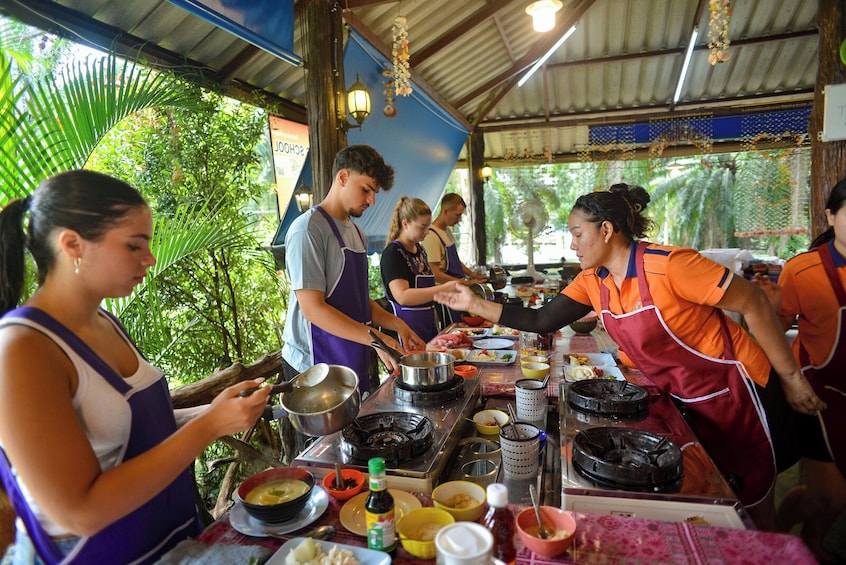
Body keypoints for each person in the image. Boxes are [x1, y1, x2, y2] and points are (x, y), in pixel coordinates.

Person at [434, 182, 825, 531]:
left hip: (737, 393)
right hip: (684, 399)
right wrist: (474, 302)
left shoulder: (671, 265)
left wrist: (791, 379)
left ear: (606, 229)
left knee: (753, 507)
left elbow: (754, 301)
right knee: (712, 500)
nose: (572, 244)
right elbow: (540, 319)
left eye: (577, 233)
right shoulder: (594, 280)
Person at [0, 170, 271, 564]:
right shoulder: (21, 348)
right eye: (133, 246)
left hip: (172, 541)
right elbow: (77, 511)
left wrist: (211, 412)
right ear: (72, 244)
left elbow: (128, 430)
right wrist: (208, 426)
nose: (150, 258)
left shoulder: (104, 321)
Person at [281, 145, 425, 395]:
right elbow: (313, 309)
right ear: (343, 177)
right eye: (366, 189)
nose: (372, 200)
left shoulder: (357, 233)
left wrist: (398, 325)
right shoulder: (308, 230)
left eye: (375, 192)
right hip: (312, 366)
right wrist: (377, 339)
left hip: (349, 355)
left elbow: (358, 302)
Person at [753, 179, 846, 560]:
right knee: (830, 494)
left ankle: (812, 540)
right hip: (819, 393)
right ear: (830, 216)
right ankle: (781, 530)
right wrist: (772, 308)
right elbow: (770, 333)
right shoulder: (804, 269)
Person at [380, 197, 460, 344]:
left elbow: (425, 288)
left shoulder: (420, 250)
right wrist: (441, 290)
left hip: (427, 325)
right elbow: (402, 296)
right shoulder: (393, 253)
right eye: (422, 227)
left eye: (428, 227)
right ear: (405, 224)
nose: (426, 232)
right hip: (404, 331)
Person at [421, 193, 486, 325]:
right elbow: (434, 273)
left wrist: (473, 275)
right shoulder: (431, 236)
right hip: (446, 297)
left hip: (457, 290)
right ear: (445, 211)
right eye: (457, 215)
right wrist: (460, 282)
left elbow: (455, 261)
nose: (460, 219)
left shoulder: (446, 231)